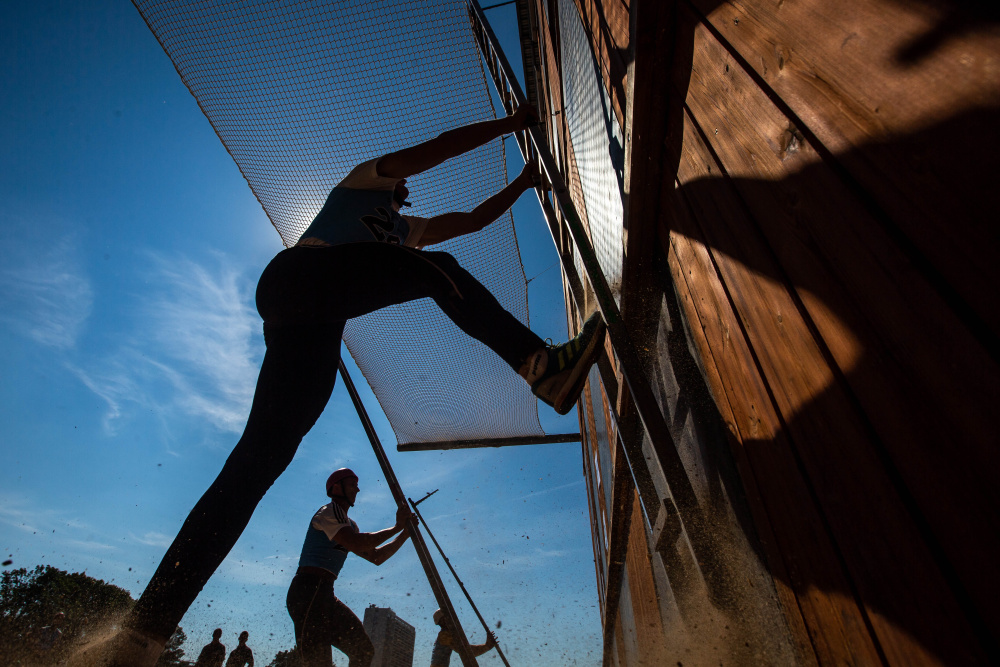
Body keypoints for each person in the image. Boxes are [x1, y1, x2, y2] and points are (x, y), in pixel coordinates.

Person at [106, 105, 606, 665]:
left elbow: (471, 220)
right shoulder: (364, 182)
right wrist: (513, 124)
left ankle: (142, 633)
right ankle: (542, 366)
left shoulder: (406, 233)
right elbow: (439, 144)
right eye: (406, 182)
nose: (408, 185)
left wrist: (525, 181)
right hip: (299, 278)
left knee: (256, 464)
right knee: (437, 270)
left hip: (312, 333)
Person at [286, 468, 415, 667]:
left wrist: (404, 535)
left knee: (363, 650)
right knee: (318, 663)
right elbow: (357, 543)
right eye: (352, 485)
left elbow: (376, 557)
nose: (358, 490)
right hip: (307, 593)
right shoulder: (329, 512)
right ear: (337, 488)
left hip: (325, 594)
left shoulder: (350, 525)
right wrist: (397, 527)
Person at [429, 608, 496, 667]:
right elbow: (465, 652)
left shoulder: (446, 634)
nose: (451, 619)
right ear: (443, 620)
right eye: (448, 617)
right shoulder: (445, 635)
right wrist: (487, 646)